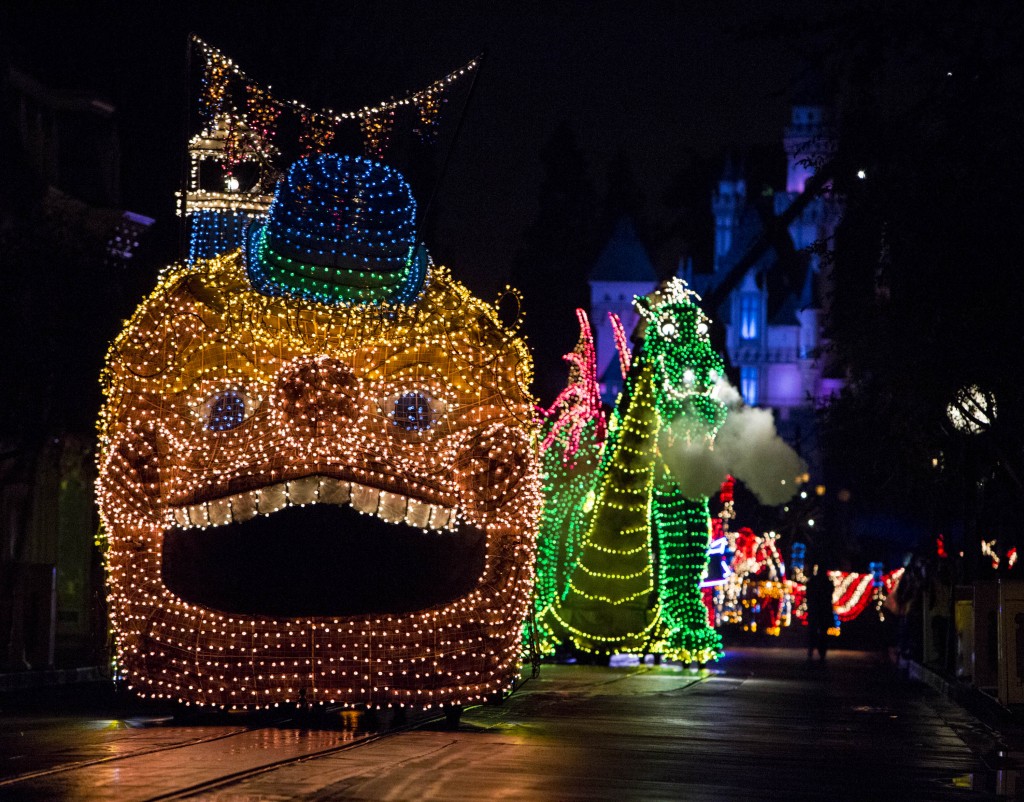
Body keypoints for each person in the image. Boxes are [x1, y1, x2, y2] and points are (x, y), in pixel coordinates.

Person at [805, 564, 835, 662]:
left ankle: (814, 650)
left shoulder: (815, 581)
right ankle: (820, 651)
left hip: (817, 610)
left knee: (815, 631)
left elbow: (809, 595)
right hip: (821, 610)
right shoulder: (826, 582)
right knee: (820, 632)